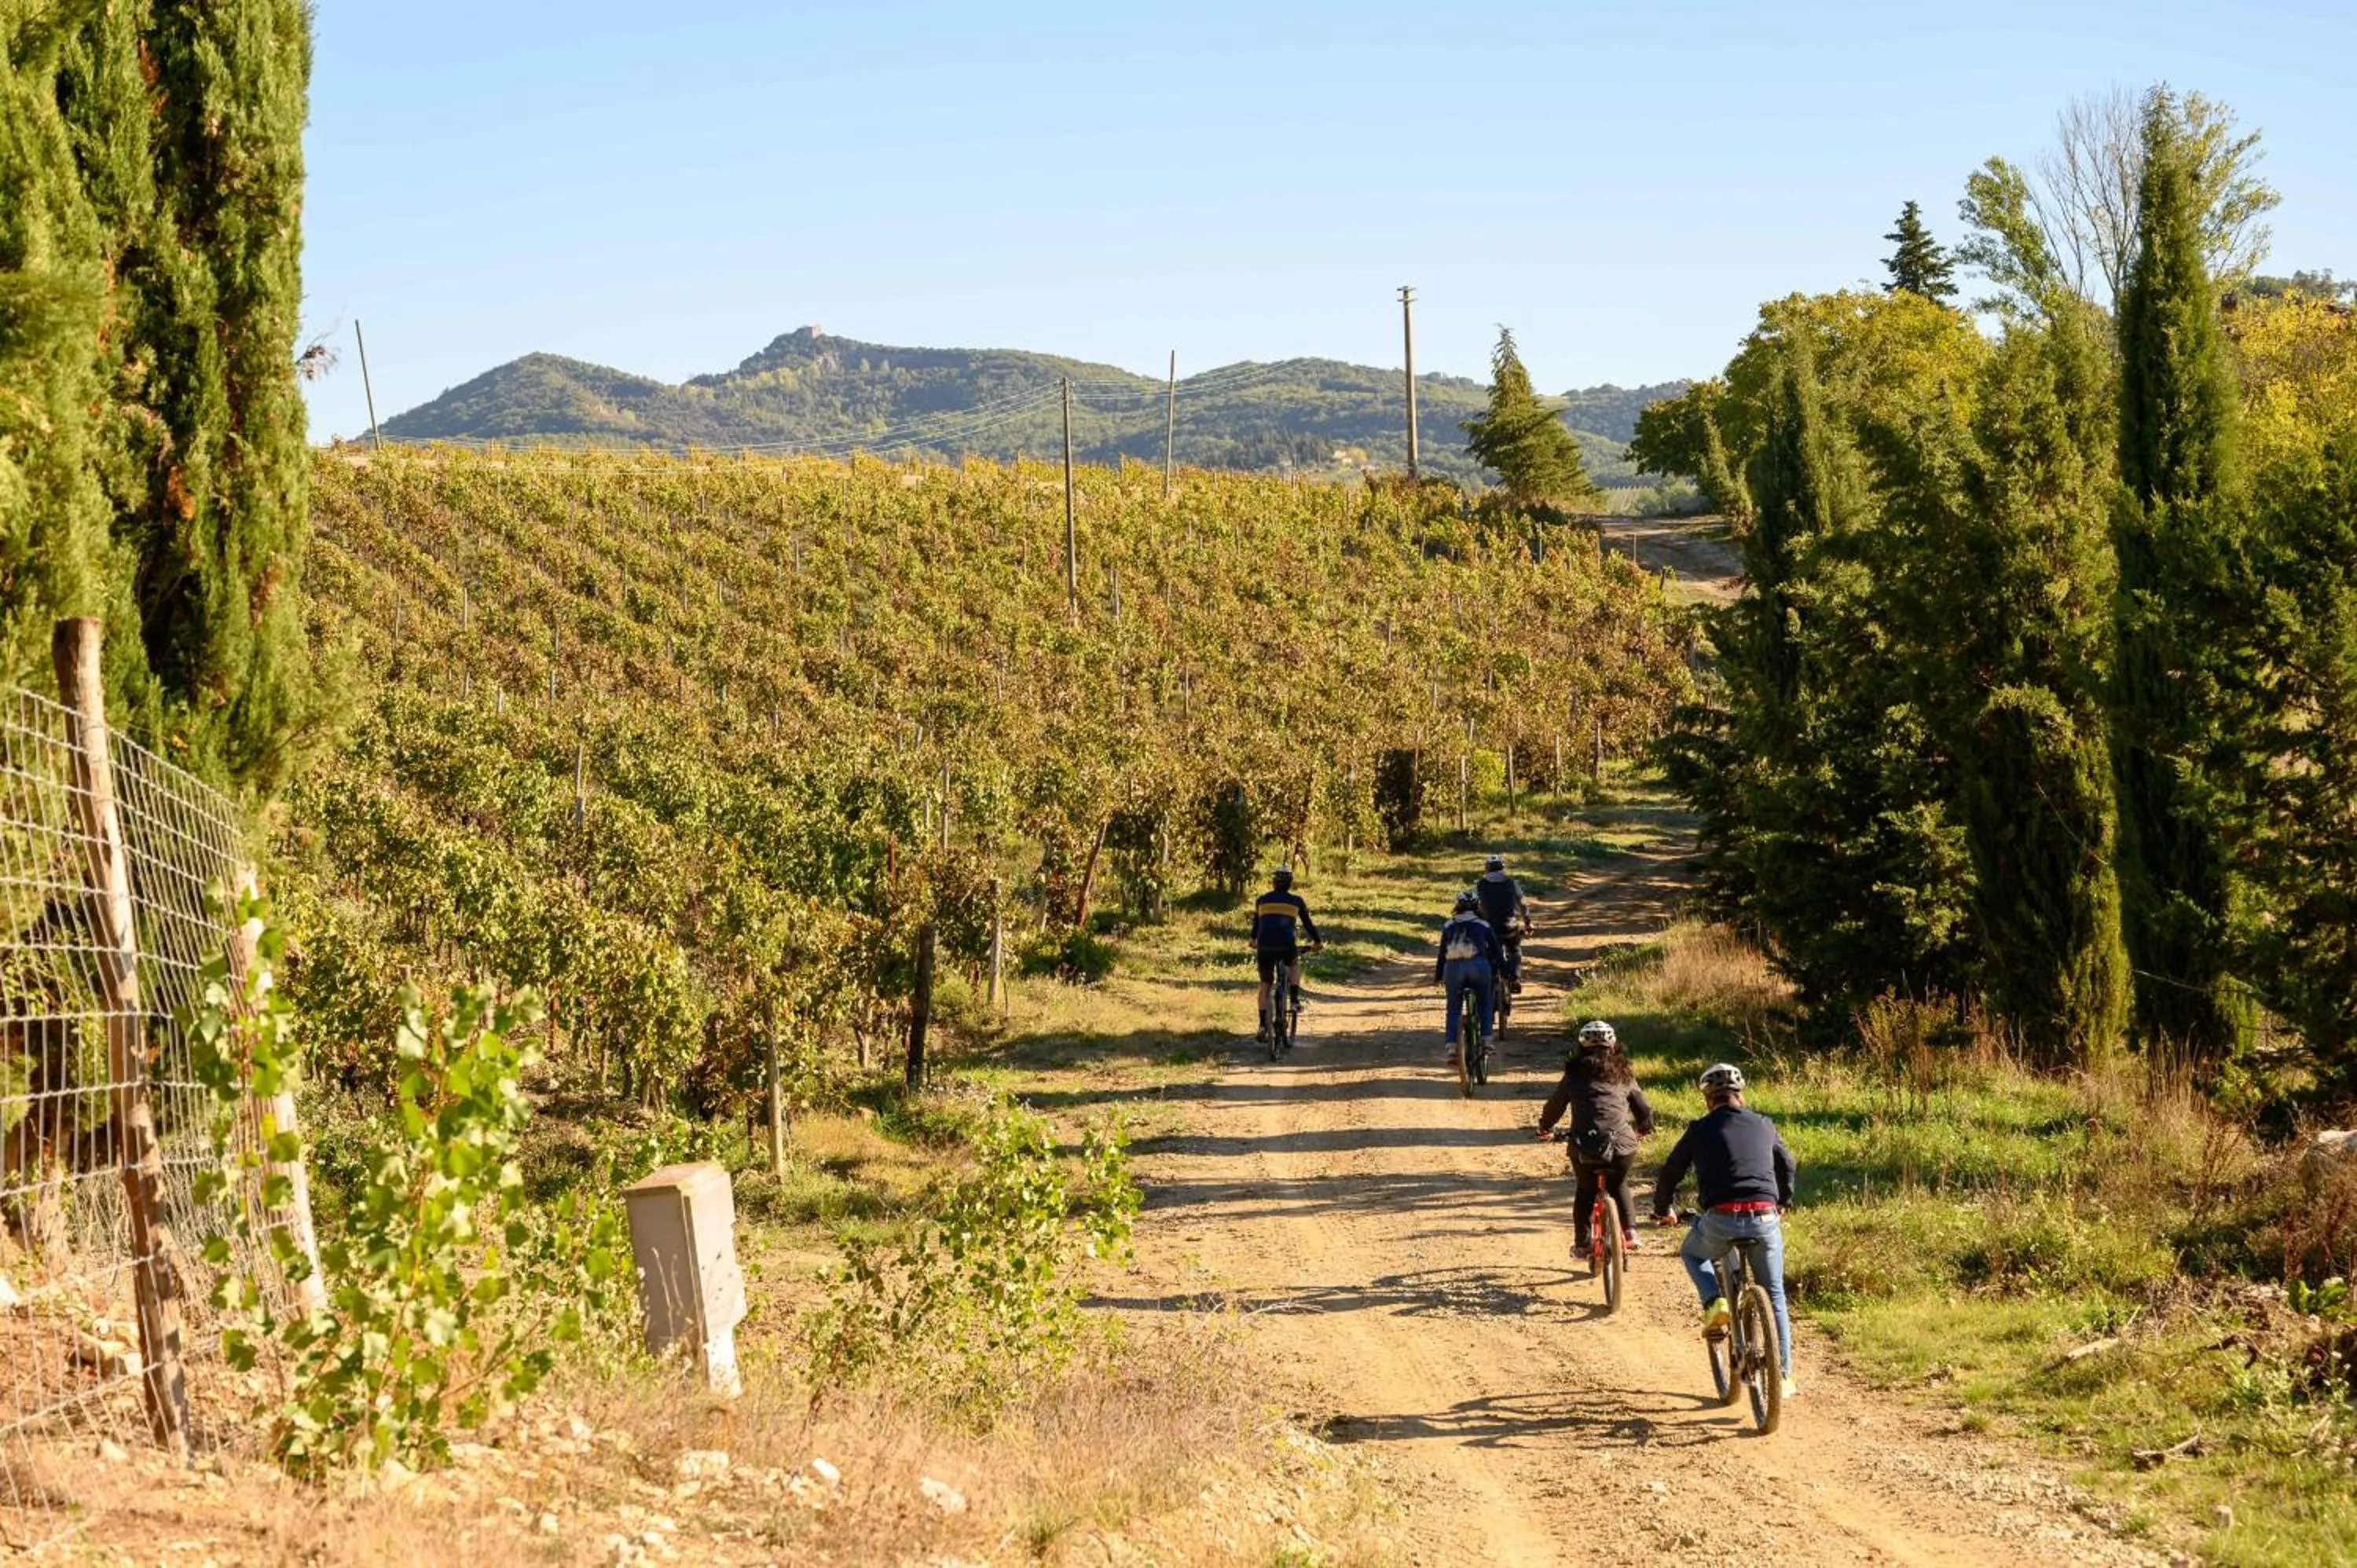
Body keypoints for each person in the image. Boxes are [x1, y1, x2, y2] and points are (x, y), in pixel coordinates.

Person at [1650, 1062, 1799, 1398]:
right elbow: (1787, 1163)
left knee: (1692, 1252)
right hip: (1764, 1217)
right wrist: (1783, 1200)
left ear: (1708, 1099)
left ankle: (1714, 1302)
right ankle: (1784, 1376)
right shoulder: (1763, 1124)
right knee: (1775, 1293)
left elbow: (1671, 1171)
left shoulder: (1699, 1130)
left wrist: (1663, 1208)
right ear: (1740, 1095)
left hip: (1720, 1218)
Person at [1535, 1020, 1655, 1255]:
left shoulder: (1573, 1075)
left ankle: (1582, 1244)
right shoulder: (1624, 1074)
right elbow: (1643, 1108)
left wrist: (1545, 1127)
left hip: (1584, 1146)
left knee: (1585, 1191)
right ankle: (1630, 1232)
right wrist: (1644, 1127)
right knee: (1619, 1184)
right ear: (1614, 1046)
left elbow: (1555, 1106)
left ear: (1581, 1047)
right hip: (1622, 1145)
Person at [1249, 866, 1322, 1043]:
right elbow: (1308, 924)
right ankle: (1295, 1000)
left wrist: (1253, 941)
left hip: (1264, 947)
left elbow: (1257, 926)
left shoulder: (1261, 900)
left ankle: (1262, 1025)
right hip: (1286, 946)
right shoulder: (1296, 901)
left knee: (1265, 985)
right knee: (1294, 964)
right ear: (1290, 883)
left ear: (1273, 883)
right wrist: (1317, 943)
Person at [1432, 892, 1502, 1061]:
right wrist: (1505, 970)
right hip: (1479, 967)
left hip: (1454, 968)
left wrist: (1438, 976)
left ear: (1458, 906)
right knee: (1485, 1002)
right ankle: (1487, 1041)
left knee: (1453, 1009)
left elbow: (1442, 954)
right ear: (1477, 906)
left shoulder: (1449, 925)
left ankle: (1452, 1047)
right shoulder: (1483, 924)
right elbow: (1496, 952)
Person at [1472, 853, 1531, 993]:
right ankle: (1515, 978)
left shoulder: (1479, 885)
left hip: (1489, 928)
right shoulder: (1511, 883)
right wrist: (1528, 923)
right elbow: (1523, 905)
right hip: (1509, 926)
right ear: (1503, 867)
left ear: (1487, 868)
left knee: (1487, 952)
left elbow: (1473, 905)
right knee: (1515, 951)